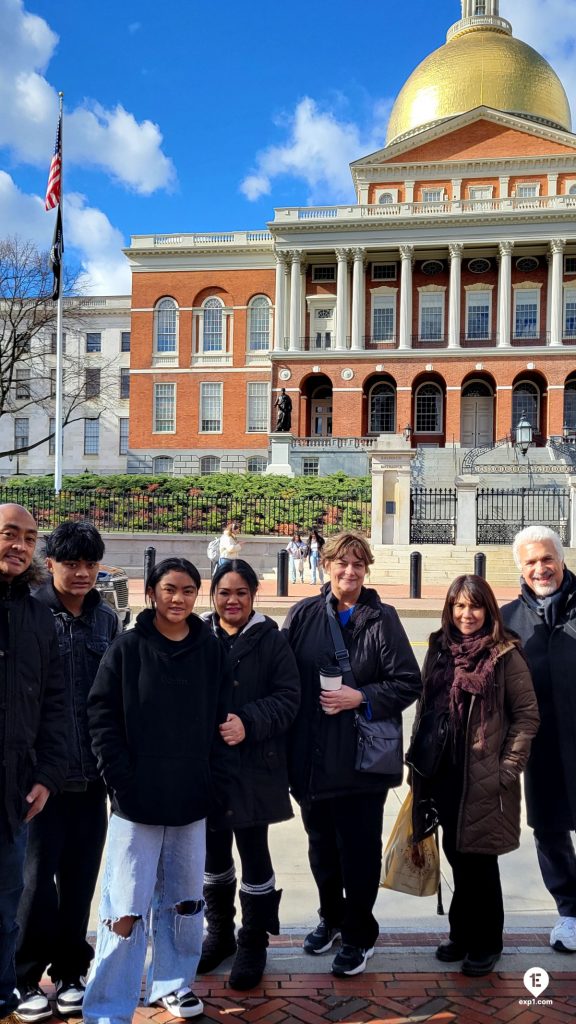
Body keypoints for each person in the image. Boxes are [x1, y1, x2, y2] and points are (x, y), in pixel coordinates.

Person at [83, 558, 236, 1024]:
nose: (178, 598)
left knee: (185, 903)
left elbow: (222, 719)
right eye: (169, 589)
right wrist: (120, 780)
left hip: (191, 800)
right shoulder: (128, 648)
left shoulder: (210, 651)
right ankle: (109, 1004)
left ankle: (173, 984)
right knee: (124, 909)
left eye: (188, 590)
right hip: (136, 803)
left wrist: (212, 781)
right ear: (151, 592)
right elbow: (102, 717)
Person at [283, 530, 421, 977]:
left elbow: (408, 681)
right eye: (342, 563)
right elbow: (283, 677)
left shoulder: (382, 619)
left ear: (366, 570)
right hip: (312, 756)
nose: (350, 571)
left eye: (358, 564)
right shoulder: (303, 614)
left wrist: (359, 697)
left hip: (361, 760)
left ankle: (360, 932)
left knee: (358, 851)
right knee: (321, 846)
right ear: (326, 565)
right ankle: (331, 917)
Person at [15, 522, 121, 1022]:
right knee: (35, 884)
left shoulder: (107, 620)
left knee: (80, 880)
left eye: (90, 564)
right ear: (51, 563)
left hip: (92, 776)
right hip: (41, 778)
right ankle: (25, 974)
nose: (82, 573)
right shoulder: (31, 613)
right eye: (71, 563)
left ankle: (71, 971)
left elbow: (116, 698)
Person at [409, 574, 539, 977]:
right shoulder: (440, 648)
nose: (467, 614)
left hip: (483, 777)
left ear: (489, 610)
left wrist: (507, 770)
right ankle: (462, 934)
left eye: (475, 605)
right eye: (459, 606)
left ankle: (486, 942)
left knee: (479, 862)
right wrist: (418, 768)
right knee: (456, 854)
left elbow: (526, 717)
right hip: (444, 773)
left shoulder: (504, 654)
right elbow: (426, 708)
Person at [198, 559, 300, 989]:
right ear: (213, 595)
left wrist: (249, 721)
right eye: (224, 592)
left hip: (256, 767)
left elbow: (289, 698)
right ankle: (219, 933)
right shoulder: (198, 635)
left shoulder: (272, 640)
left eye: (241, 592)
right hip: (207, 768)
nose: (232, 600)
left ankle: (253, 941)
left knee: (254, 852)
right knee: (212, 854)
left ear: (254, 595)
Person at [0, 504, 67, 1019]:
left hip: (15, 788)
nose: (20, 546)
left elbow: (54, 703)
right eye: (9, 534)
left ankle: (3, 992)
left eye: (28, 537)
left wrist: (46, 776)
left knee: (6, 903)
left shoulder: (39, 616)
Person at [502, 525, 576, 954]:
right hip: (540, 744)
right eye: (530, 561)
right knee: (549, 829)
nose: (540, 568)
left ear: (562, 560)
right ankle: (570, 910)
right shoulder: (508, 620)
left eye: (547, 558)